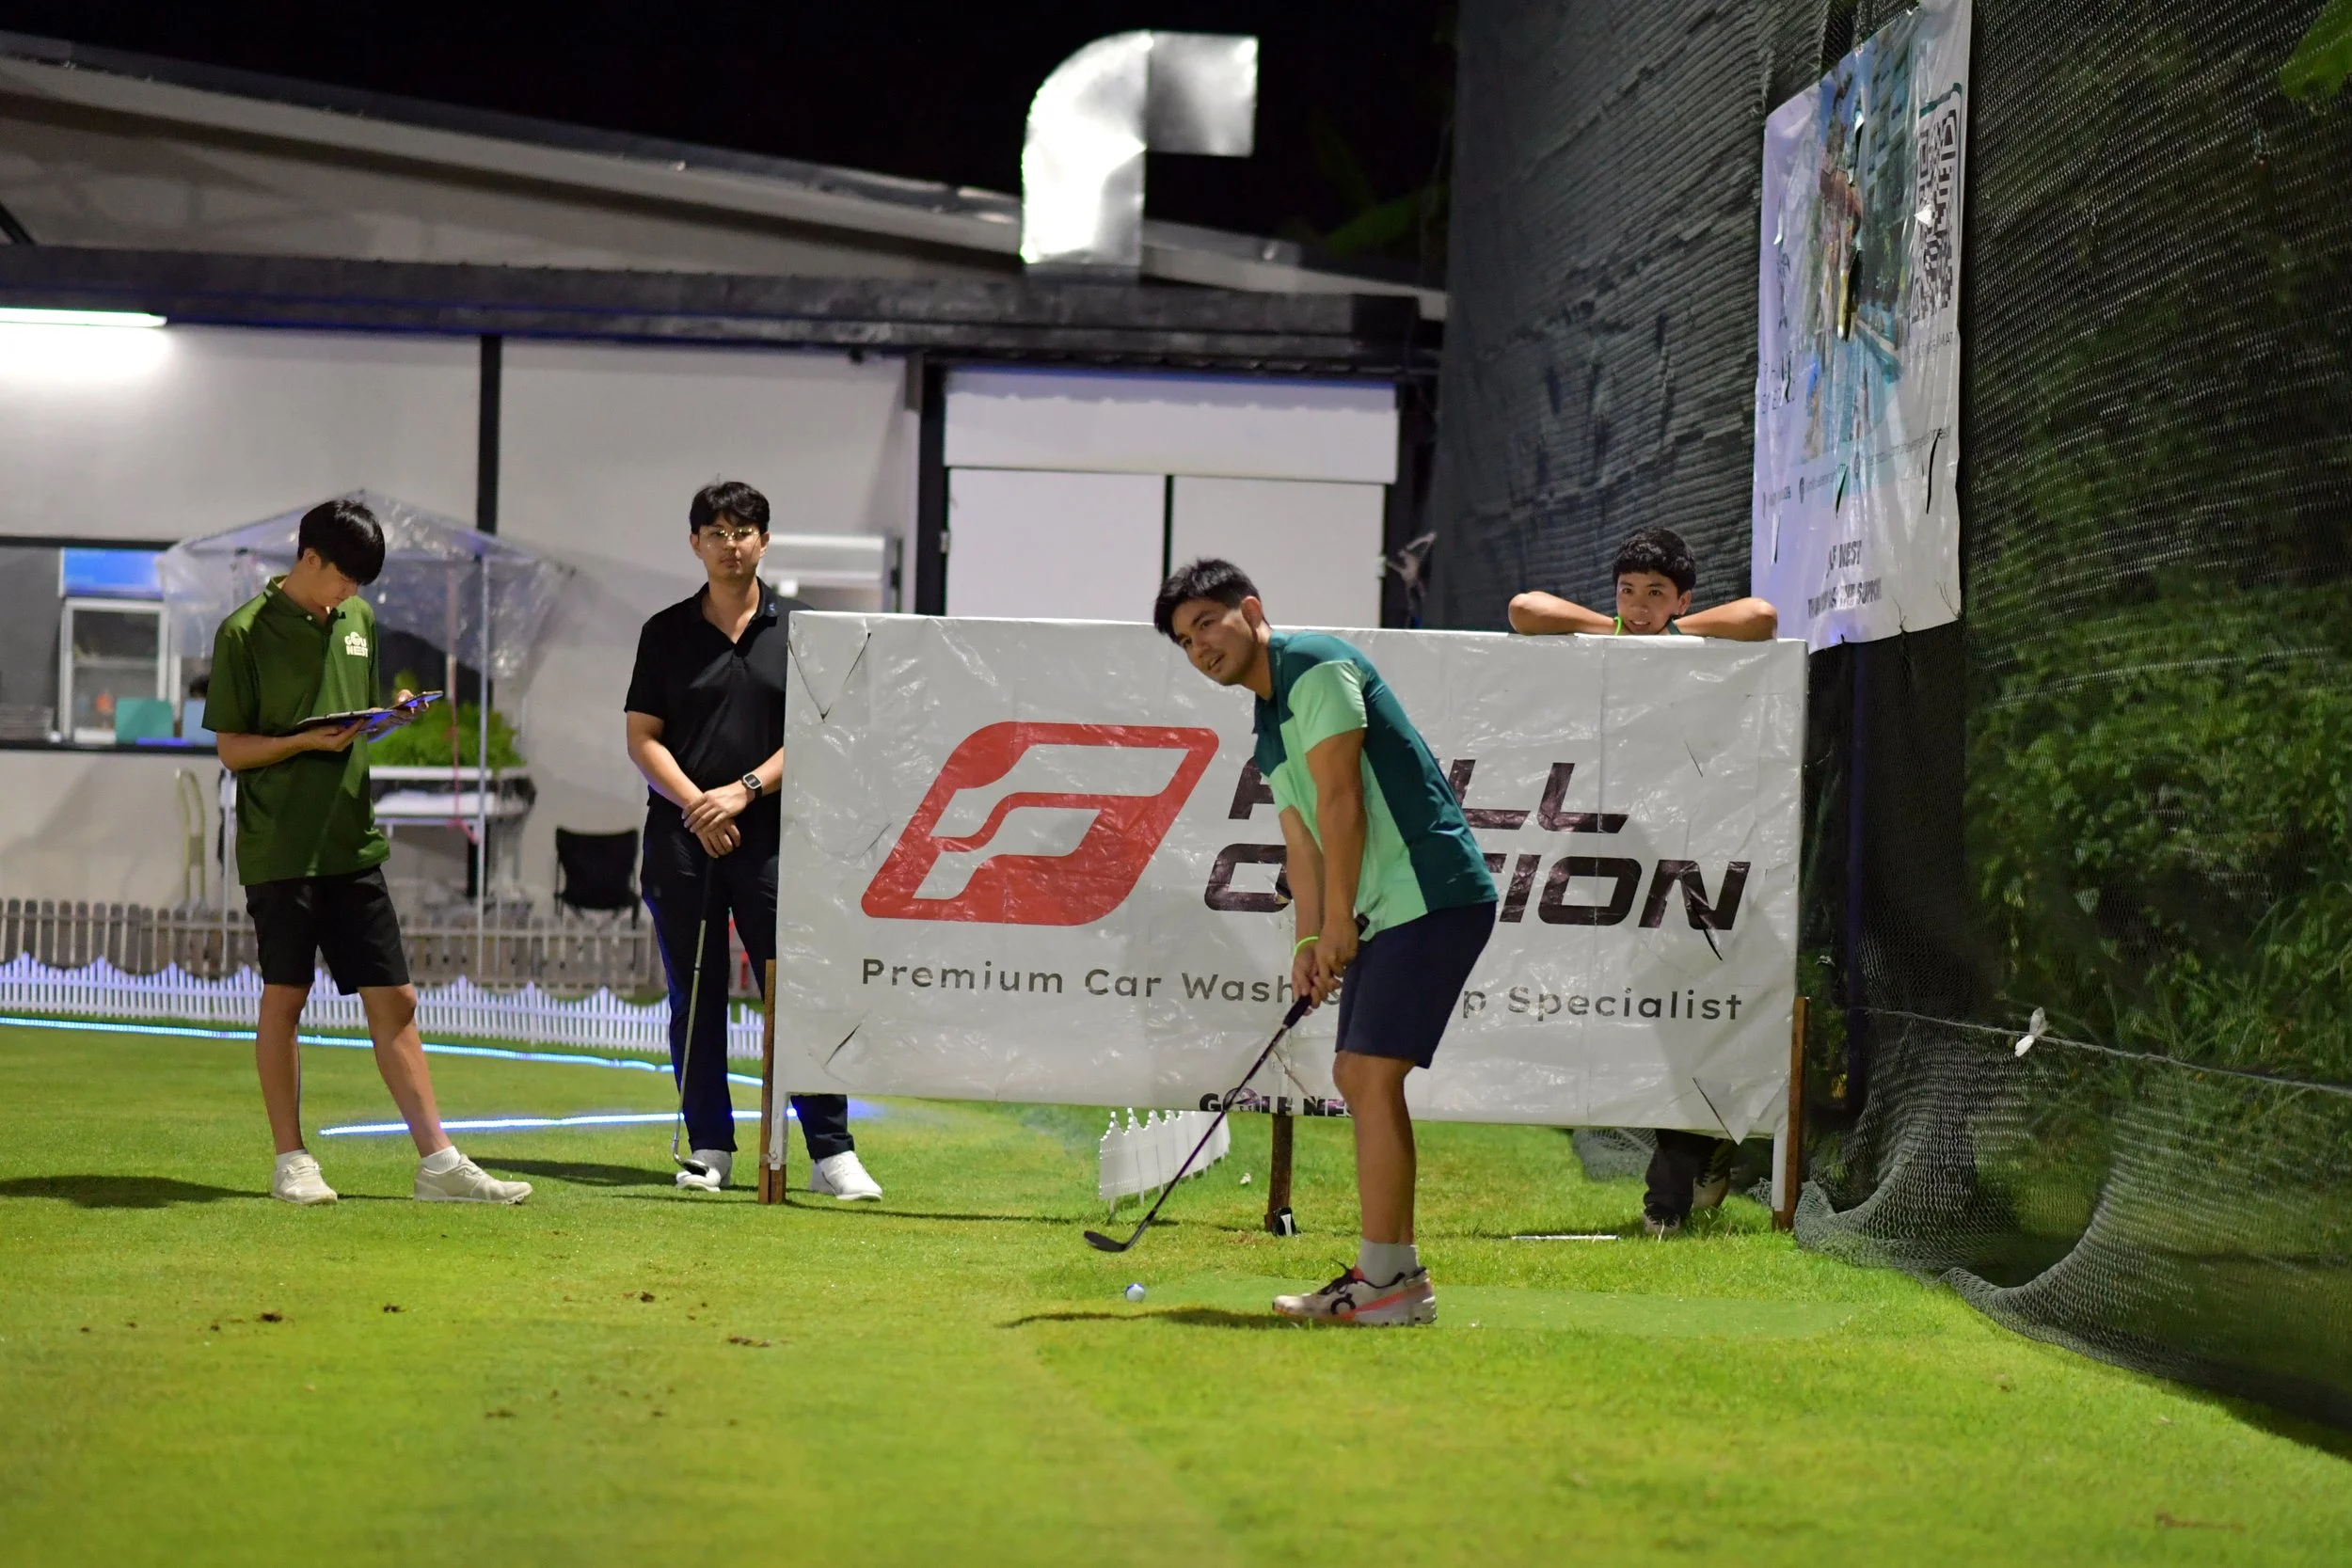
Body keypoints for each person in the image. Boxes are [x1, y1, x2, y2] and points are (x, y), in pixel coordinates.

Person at [1155, 558, 1497, 1325]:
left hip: (1431, 891)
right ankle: (1394, 1279)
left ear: (1250, 608)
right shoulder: (1266, 718)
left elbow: (1344, 802)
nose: (1199, 646)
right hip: (1387, 905)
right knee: (1362, 1075)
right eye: (1184, 640)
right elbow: (1302, 841)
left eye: (1207, 623)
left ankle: (1386, 1285)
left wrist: (1339, 918)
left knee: (1366, 1076)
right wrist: (1310, 935)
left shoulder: (1314, 664)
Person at [209, 498, 531, 1206]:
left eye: (361, 583)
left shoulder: (358, 622)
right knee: (285, 995)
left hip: (353, 836)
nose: (351, 593)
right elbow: (232, 747)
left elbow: (349, 726)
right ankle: (291, 1158)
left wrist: (389, 717)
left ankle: (438, 1162)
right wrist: (299, 740)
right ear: (310, 558)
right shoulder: (242, 633)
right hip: (281, 843)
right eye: (344, 577)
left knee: (397, 997)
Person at [1507, 526, 1778, 1237]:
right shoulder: (1609, 637)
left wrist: (1673, 633)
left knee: (1688, 1028)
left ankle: (1668, 1202)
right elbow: (1524, 608)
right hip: (1606, 873)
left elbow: (1764, 619)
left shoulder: (1698, 641)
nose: (1641, 604)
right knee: (1619, 1029)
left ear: (1683, 597)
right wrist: (1618, 628)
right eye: (1629, 590)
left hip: (1695, 870)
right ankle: (1706, 1150)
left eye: (1656, 593)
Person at [625, 480, 882, 1201]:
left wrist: (743, 790)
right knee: (695, 992)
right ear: (695, 543)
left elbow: (819, 733)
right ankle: (710, 1147)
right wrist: (699, 804)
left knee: (796, 991)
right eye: (715, 531)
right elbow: (642, 736)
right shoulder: (665, 631)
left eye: (744, 531)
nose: (730, 543)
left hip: (776, 832)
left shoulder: (802, 628)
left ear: (764, 541)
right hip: (682, 834)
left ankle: (831, 1151)